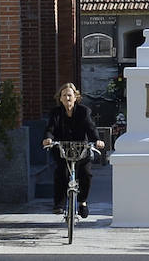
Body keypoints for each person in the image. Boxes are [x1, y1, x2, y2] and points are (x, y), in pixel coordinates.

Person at [41, 83, 105, 218]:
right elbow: (50, 129)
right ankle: (59, 204)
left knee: (86, 174)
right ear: (60, 98)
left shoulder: (84, 111)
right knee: (61, 173)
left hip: (81, 149)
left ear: (76, 97)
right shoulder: (56, 113)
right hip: (63, 149)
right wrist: (48, 139)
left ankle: (82, 202)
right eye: (64, 95)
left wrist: (97, 140)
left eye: (70, 95)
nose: (67, 98)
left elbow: (90, 127)